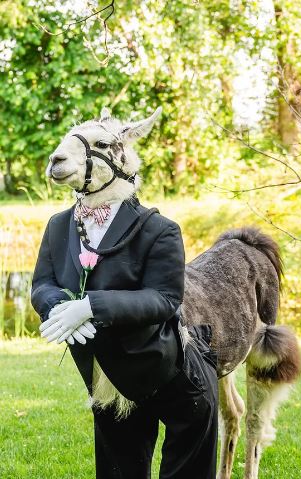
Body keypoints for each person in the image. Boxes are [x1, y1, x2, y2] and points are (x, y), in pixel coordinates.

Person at [31, 193, 218, 479]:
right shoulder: (59, 225)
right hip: (108, 377)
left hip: (170, 371)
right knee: (118, 467)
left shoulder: (160, 229)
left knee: (189, 463)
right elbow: (43, 282)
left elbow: (165, 298)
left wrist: (92, 306)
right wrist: (57, 307)